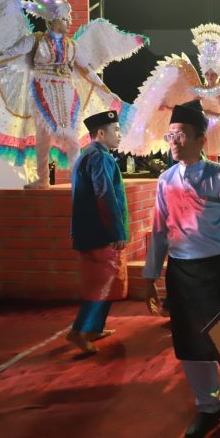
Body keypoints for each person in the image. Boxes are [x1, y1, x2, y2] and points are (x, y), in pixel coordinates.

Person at [142, 100, 220, 438]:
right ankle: (209, 407)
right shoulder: (166, 181)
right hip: (182, 274)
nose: (175, 142)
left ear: (201, 139)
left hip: (219, 271)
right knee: (192, 346)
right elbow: (159, 231)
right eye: (171, 135)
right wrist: (150, 277)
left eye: (182, 135)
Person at [0, 0, 145, 188]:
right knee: (43, 138)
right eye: (64, 19)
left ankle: (78, 179)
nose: (68, 22)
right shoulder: (35, 41)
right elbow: (10, 55)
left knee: (70, 137)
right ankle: (42, 179)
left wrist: (105, 90)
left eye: (68, 19)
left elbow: (87, 71)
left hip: (67, 92)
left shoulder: (72, 46)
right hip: (42, 90)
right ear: (53, 21)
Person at [119, 23, 220, 159]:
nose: (210, 77)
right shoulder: (198, 90)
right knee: (198, 156)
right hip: (202, 126)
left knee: (213, 158)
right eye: (207, 74)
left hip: (215, 127)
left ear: (218, 73)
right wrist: (168, 108)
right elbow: (188, 108)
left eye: (213, 74)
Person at [67, 110, 128, 354]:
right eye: (116, 131)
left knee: (105, 281)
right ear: (101, 133)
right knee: (101, 284)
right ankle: (79, 331)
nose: (119, 135)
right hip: (99, 233)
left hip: (90, 231)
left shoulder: (89, 155)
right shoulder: (99, 157)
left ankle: (93, 328)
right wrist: (117, 231)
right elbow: (105, 195)